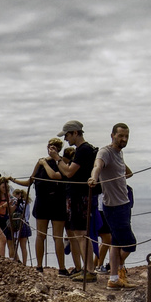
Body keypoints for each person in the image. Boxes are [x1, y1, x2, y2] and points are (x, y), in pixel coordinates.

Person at [54, 121, 99, 282]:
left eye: (66, 135)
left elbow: (69, 172)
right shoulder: (86, 150)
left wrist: (57, 159)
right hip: (81, 195)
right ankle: (88, 269)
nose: (65, 139)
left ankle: (89, 270)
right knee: (80, 233)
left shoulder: (83, 150)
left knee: (81, 234)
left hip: (79, 196)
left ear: (74, 133)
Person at [93, 123, 136, 288]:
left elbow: (128, 173)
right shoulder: (106, 151)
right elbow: (97, 166)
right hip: (114, 206)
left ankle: (114, 278)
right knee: (130, 244)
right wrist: (93, 178)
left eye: (126, 136)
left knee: (116, 243)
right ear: (112, 135)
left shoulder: (119, 153)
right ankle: (115, 269)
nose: (124, 139)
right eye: (120, 136)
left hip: (124, 204)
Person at [30, 138, 70, 274]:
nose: (51, 148)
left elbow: (55, 176)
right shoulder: (41, 162)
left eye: (54, 146)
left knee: (57, 236)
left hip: (57, 202)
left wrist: (45, 163)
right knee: (41, 235)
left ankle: (62, 268)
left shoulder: (61, 162)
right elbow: (31, 179)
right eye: (50, 146)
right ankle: (39, 266)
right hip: (42, 202)